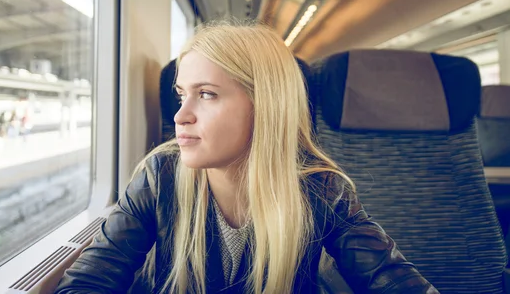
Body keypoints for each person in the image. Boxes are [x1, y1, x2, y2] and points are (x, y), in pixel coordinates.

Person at [55, 23, 438, 293]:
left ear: (264, 106)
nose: (179, 116)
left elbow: (391, 279)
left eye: (206, 94)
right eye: (181, 94)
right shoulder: (160, 176)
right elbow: (89, 282)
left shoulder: (321, 188)